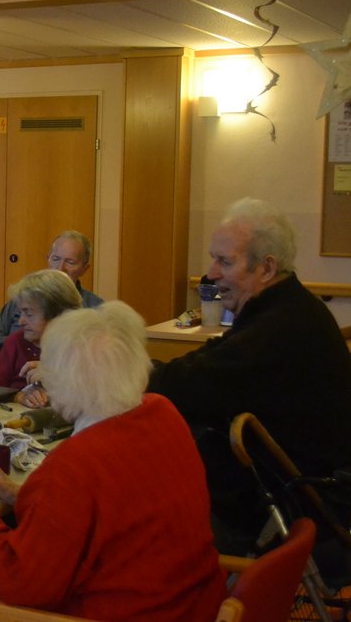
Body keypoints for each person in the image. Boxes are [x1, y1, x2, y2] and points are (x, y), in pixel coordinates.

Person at [0, 302, 226, 620]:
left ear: (67, 382)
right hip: (194, 607)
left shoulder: (73, 464)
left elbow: (20, 586)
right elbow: (106, 514)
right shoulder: (164, 412)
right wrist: (16, 492)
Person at [148, 197, 351, 560]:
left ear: (267, 268)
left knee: (137, 512)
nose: (210, 273)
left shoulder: (279, 329)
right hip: (299, 494)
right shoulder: (287, 310)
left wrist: (116, 365)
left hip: (290, 507)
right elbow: (210, 365)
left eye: (225, 261)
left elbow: (186, 388)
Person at [0, 230, 102, 342]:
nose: (60, 268)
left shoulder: (95, 307)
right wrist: (22, 348)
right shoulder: (24, 297)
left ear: (84, 269)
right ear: (48, 259)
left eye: (70, 262)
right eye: (55, 259)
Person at [0, 269, 81, 396]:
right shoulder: (15, 342)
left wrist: (54, 378)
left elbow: (92, 401)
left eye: (29, 314)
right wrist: (19, 397)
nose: (20, 321)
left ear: (57, 315)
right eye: (20, 313)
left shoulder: (83, 348)